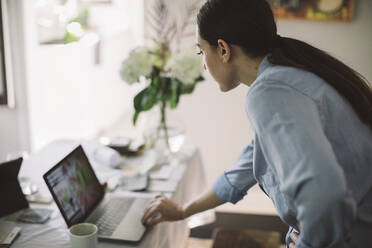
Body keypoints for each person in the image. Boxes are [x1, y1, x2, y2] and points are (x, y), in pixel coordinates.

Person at [141, 0, 372, 247]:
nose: (203, 64)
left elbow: (325, 196)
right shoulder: (289, 73)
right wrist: (184, 210)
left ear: (222, 49)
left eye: (201, 51)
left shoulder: (269, 91)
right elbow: (248, 166)